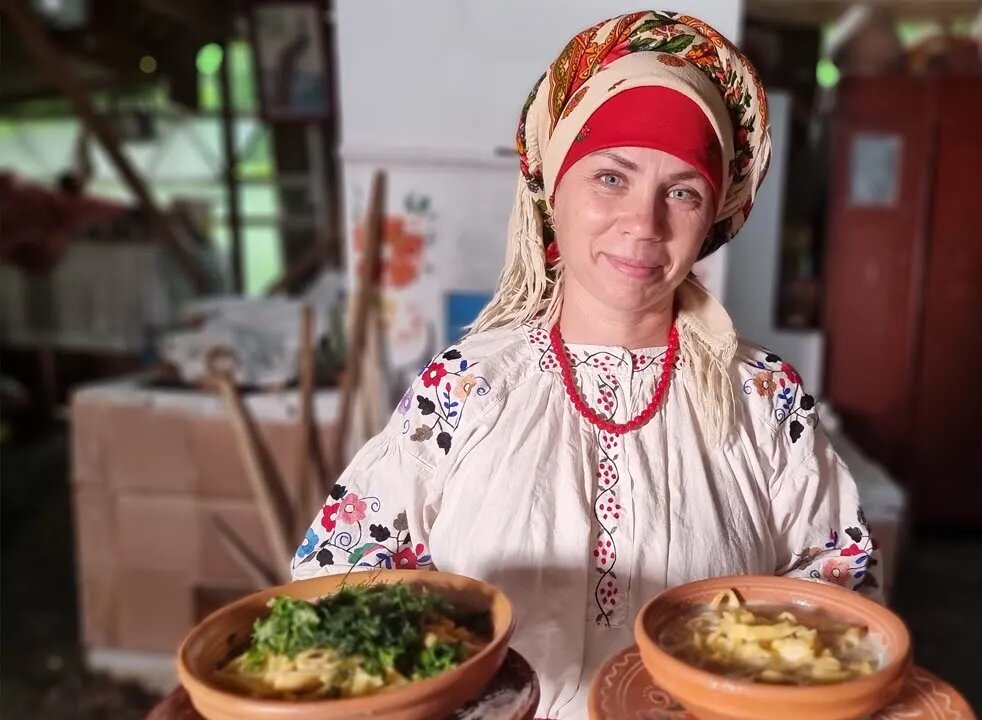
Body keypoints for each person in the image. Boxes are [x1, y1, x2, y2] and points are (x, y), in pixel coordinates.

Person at [291, 11, 878, 719]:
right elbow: (334, 582)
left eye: (683, 191)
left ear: (713, 215)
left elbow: (842, 596)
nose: (644, 222)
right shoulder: (464, 390)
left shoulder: (763, 403)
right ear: (552, 188)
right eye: (610, 177)